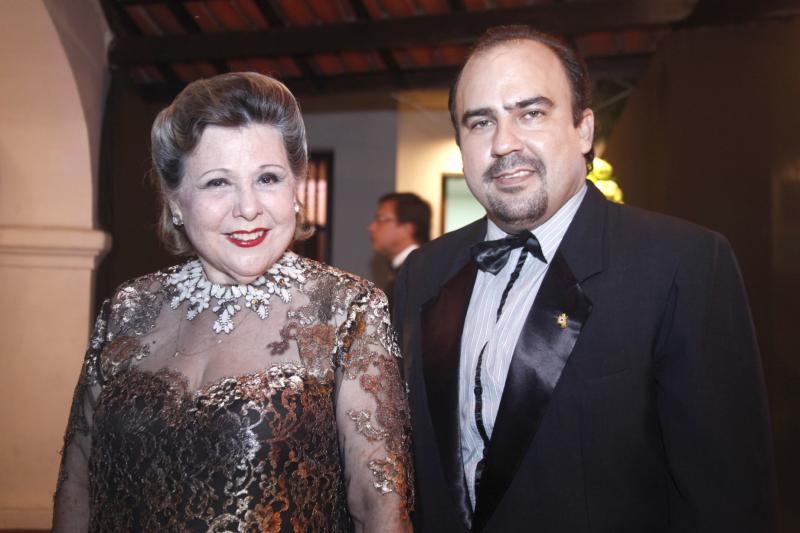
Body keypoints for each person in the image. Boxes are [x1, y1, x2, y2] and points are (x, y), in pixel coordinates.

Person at [393, 25, 775, 533]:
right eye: (481, 122)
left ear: (584, 130)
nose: (504, 143)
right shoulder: (423, 273)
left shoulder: (682, 264)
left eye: (531, 113)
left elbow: (727, 501)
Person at [53, 72, 413, 532]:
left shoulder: (346, 310)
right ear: (175, 201)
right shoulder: (127, 309)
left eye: (268, 178)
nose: (247, 207)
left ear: (296, 188)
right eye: (217, 183)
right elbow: (77, 485)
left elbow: (379, 509)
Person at [368, 192, 431, 304]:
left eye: (381, 219)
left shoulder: (417, 275)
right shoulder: (409, 270)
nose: (371, 227)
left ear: (408, 228)